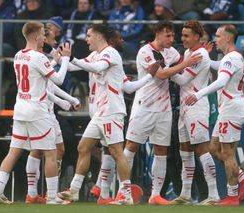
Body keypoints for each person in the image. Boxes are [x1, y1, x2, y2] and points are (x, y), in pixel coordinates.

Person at [0, 21, 72, 205]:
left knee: (14, 152)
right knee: (50, 153)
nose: (44, 37)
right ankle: (52, 197)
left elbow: (37, 75)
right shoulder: (38, 56)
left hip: (20, 108)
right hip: (37, 110)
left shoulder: (18, 55)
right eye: (43, 34)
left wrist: (54, 61)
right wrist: (65, 58)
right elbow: (57, 80)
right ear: (36, 36)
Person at [123, 20, 202, 205]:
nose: (172, 39)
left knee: (161, 150)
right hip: (144, 106)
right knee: (131, 147)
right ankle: (123, 192)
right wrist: (186, 63)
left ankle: (155, 195)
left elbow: (178, 71)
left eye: (173, 35)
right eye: (168, 35)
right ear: (157, 34)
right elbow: (161, 74)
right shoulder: (145, 52)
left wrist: (197, 54)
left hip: (164, 108)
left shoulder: (172, 52)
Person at [57, 24, 134, 205]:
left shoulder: (110, 53)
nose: (87, 39)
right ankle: (74, 190)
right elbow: (72, 67)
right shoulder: (94, 54)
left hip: (112, 111)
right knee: (83, 147)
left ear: (99, 36)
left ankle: (126, 194)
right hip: (100, 113)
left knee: (116, 151)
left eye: (89, 35)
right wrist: (59, 58)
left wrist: (72, 58)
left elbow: (97, 68)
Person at [87, 28, 158, 204]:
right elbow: (98, 68)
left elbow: (128, 87)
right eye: (119, 38)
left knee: (104, 150)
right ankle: (110, 190)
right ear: (110, 40)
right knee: (115, 151)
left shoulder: (102, 57)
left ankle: (100, 190)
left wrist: (149, 75)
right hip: (107, 108)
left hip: (98, 107)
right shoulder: (108, 55)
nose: (123, 41)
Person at [186, 24, 244, 206]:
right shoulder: (230, 58)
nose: (214, 39)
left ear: (228, 38)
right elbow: (218, 66)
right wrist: (206, 58)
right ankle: (243, 179)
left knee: (228, 153)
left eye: (217, 36)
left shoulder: (231, 58)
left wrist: (199, 94)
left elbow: (222, 80)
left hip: (232, 109)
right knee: (214, 148)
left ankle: (232, 197)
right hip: (228, 109)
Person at [24, 28, 81, 204]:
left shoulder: (40, 57)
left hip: (47, 110)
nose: (55, 43)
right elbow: (52, 83)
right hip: (42, 111)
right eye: (52, 39)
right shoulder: (39, 57)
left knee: (57, 150)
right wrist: (63, 61)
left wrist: (67, 100)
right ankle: (46, 194)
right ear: (42, 39)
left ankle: (35, 194)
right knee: (45, 151)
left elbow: (48, 87)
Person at [170, 20, 220, 205]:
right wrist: (177, 67)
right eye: (182, 35)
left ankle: (214, 194)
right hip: (184, 106)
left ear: (197, 37)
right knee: (185, 151)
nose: (182, 39)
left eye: (186, 36)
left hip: (197, 107)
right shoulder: (189, 53)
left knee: (201, 149)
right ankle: (185, 194)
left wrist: (166, 70)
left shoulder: (200, 55)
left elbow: (182, 80)